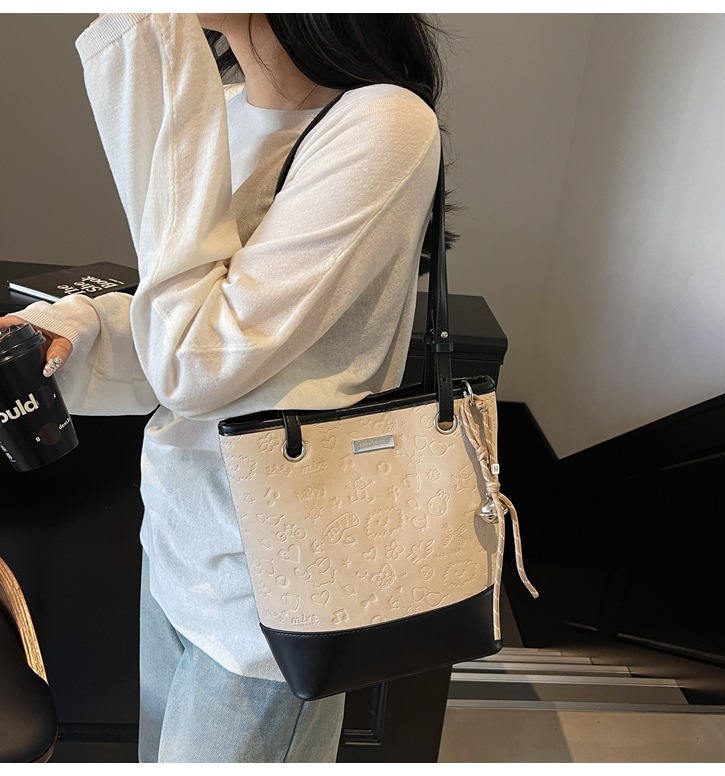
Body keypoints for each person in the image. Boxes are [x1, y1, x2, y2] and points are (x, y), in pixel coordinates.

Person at [0, 13, 445, 763]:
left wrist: (159, 76)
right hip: (181, 545)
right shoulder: (231, 107)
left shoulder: (382, 123)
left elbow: (197, 359)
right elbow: (192, 327)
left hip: (272, 591)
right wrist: (79, 325)